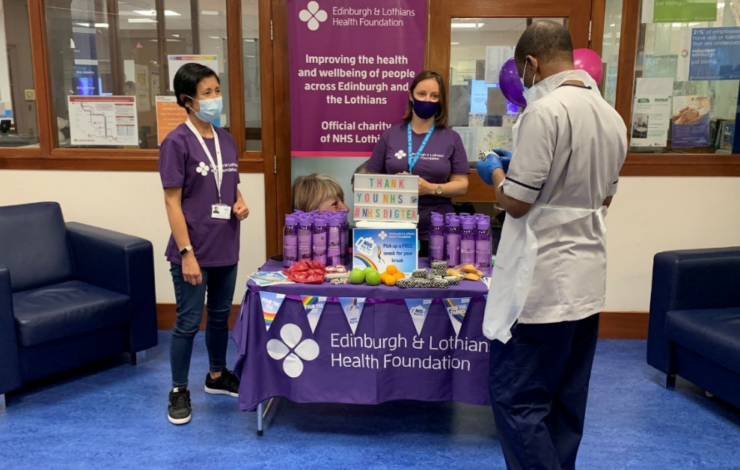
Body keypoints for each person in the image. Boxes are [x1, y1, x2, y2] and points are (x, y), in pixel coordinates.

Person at [476, 21, 627, 470]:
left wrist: (497, 175)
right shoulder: (611, 116)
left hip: (540, 285)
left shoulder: (543, 113)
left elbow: (518, 205)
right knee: (565, 400)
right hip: (586, 281)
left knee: (517, 399)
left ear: (530, 63)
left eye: (522, 74)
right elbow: (604, 196)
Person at [158, 63, 250, 425]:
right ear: (188, 100)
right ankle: (179, 390)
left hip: (225, 244)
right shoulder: (176, 143)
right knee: (187, 321)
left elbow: (229, 182)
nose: (215, 99)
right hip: (192, 250)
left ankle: (216, 375)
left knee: (219, 316)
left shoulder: (225, 138)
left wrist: (239, 202)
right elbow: (171, 202)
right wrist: (186, 255)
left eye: (217, 90)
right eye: (207, 93)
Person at [364, 70, 470, 256]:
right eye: (422, 94)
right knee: (397, 281)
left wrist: (430, 188)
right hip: (395, 232)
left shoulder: (451, 138)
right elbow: (369, 180)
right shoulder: (390, 135)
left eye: (434, 96)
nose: (427, 100)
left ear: (440, 101)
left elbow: (462, 186)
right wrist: (392, 186)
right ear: (411, 96)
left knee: (436, 282)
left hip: (438, 232)